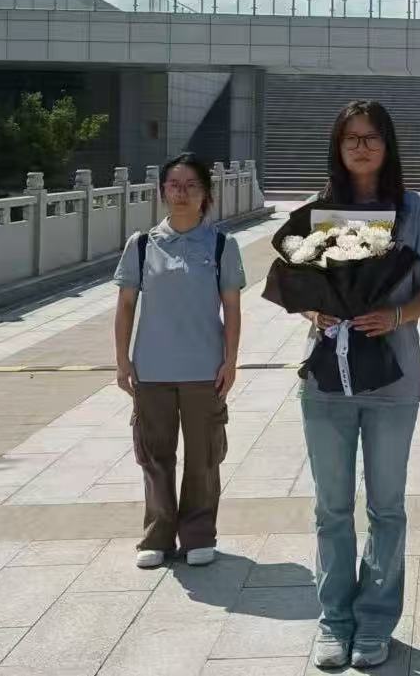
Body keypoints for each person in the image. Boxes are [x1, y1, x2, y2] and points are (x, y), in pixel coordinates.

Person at [295, 100, 420, 672]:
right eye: (351, 138)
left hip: (392, 377)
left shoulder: (414, 211)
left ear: (388, 145)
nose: (361, 147)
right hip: (327, 380)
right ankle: (334, 619)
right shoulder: (319, 207)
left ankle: (376, 619)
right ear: (338, 147)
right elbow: (301, 284)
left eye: (371, 137)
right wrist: (314, 310)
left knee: (386, 506)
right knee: (331, 507)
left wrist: (396, 316)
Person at [114, 152, 245, 571]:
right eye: (174, 185)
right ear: (162, 191)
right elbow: (125, 305)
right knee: (154, 456)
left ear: (206, 193)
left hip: (204, 369)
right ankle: (157, 535)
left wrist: (230, 360)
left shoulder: (222, 245)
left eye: (191, 185)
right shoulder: (141, 245)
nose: (182, 193)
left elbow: (232, 308)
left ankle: (199, 534)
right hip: (152, 368)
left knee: (204, 456)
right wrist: (122, 360)